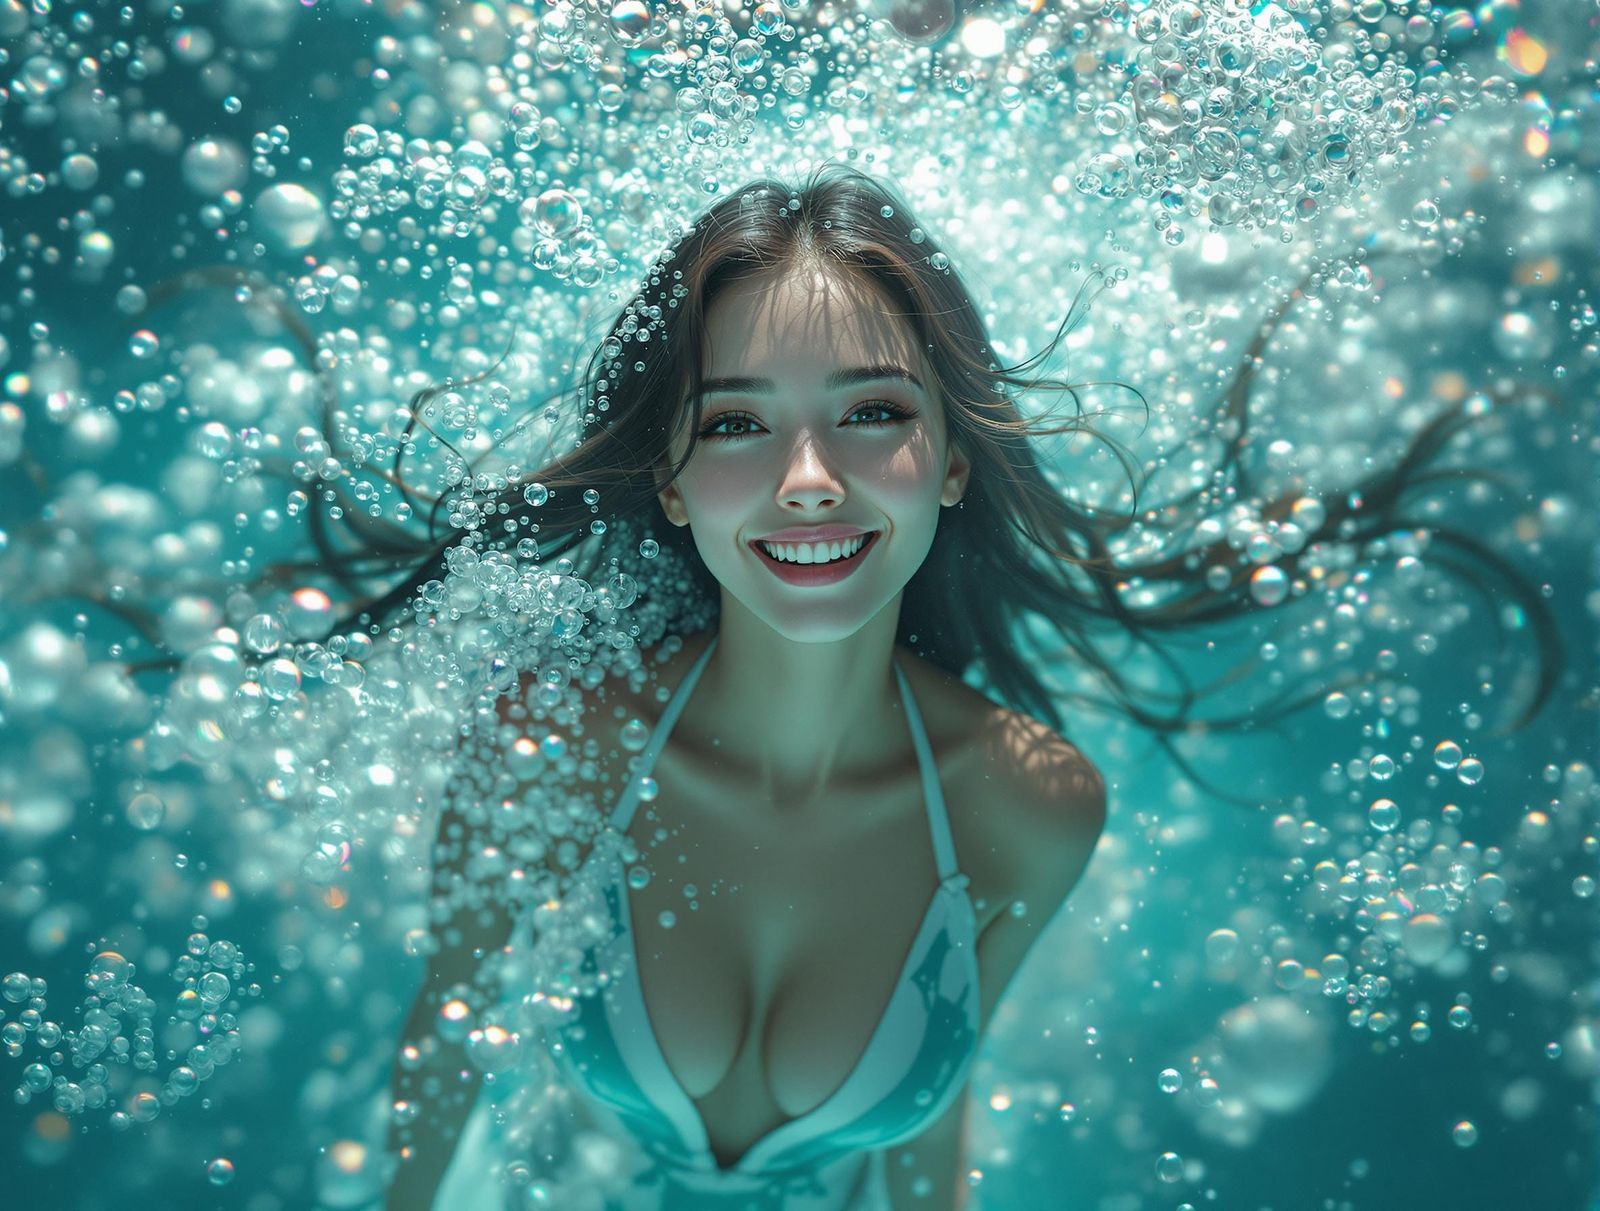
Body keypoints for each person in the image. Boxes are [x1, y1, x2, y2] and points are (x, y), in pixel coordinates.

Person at [363, 163, 1560, 1211]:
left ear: (949, 459)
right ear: (669, 482)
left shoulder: (1027, 804)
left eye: (873, 411)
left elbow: (933, 1115)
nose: (810, 479)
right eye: (735, 424)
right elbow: (444, 1050)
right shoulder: (555, 739)